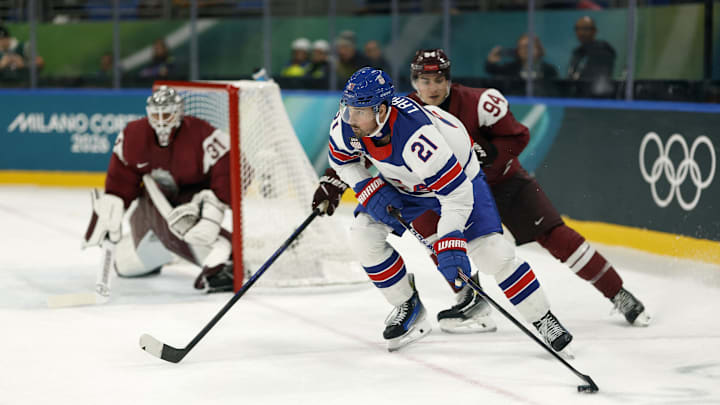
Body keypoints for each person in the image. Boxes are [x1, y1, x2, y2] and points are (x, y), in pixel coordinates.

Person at [314, 50, 651, 329]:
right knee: (442, 244)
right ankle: (470, 300)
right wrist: (335, 177)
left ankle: (617, 293)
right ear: (413, 82)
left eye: (438, 79)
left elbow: (518, 136)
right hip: (438, 192)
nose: (431, 87)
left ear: (449, 79)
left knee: (556, 237)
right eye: (423, 80)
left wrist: (490, 152)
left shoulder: (478, 102)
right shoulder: (395, 112)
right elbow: (364, 147)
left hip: (501, 184)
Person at [313, 67, 574, 353]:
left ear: (383, 110)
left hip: (458, 182)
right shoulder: (347, 124)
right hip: (404, 183)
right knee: (363, 237)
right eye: (349, 108)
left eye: (359, 111)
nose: (351, 118)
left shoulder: (419, 139)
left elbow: (456, 195)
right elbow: (344, 161)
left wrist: (450, 238)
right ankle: (407, 307)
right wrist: (366, 187)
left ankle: (544, 319)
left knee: (492, 255)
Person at [83, 86, 236, 293]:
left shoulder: (201, 133)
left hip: (190, 203)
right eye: (156, 114)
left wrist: (215, 204)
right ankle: (173, 250)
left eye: (167, 113)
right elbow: (122, 175)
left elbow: (230, 166)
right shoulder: (133, 136)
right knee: (126, 265)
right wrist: (115, 199)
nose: (162, 120)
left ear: (179, 112)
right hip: (151, 207)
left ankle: (229, 255)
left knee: (185, 230)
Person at [485, 33, 558, 80]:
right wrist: (490, 62)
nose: (525, 50)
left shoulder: (549, 70)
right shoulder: (510, 68)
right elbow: (493, 71)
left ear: (538, 49)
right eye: (521, 47)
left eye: (528, 46)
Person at [567, 16, 616, 84]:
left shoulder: (602, 51)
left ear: (594, 31)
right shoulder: (578, 51)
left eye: (585, 29)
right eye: (578, 28)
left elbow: (597, 80)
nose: (581, 32)